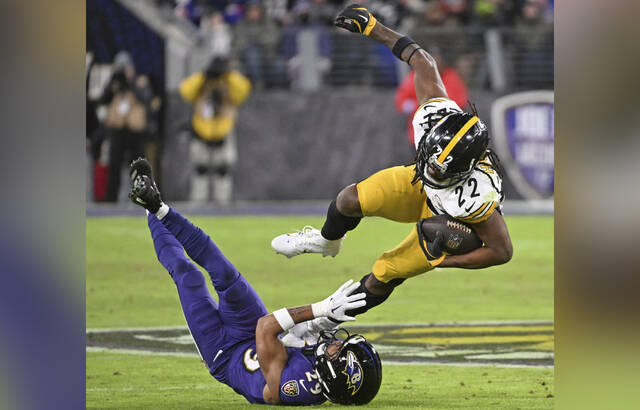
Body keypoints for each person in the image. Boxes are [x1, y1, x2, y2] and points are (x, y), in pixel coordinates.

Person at [271, 4, 513, 334]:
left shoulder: (476, 195)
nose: (435, 170)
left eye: (443, 171)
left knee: (385, 273)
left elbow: (502, 251)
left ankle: (323, 324)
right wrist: (373, 27)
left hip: (445, 216)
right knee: (350, 200)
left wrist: (446, 261)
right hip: (416, 184)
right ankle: (327, 242)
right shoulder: (436, 115)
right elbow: (421, 59)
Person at [127, 158, 382, 405]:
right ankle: (158, 206)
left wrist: (320, 309)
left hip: (223, 352)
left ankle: (152, 208)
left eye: (340, 351)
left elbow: (265, 327)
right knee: (224, 274)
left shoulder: (293, 387)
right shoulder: (321, 372)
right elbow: (300, 334)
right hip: (257, 334)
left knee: (187, 274)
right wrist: (329, 317)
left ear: (332, 371)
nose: (337, 343)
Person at [179, 56, 251, 203]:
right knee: (200, 170)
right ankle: (198, 206)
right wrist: (204, 76)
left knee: (223, 171)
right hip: (202, 132)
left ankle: (222, 207)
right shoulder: (203, 82)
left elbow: (244, 89)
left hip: (223, 133)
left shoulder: (229, 82)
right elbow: (185, 90)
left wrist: (228, 74)